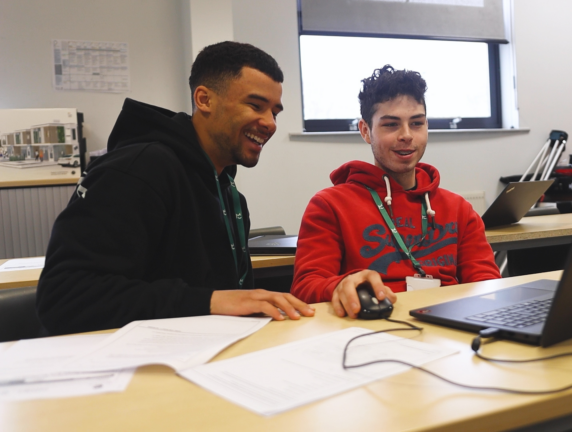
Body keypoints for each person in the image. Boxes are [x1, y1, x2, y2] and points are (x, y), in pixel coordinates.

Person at [37, 41, 314, 336]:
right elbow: (64, 297)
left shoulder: (227, 191)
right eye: (255, 106)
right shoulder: (139, 170)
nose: (270, 123)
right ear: (204, 99)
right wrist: (209, 301)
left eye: (275, 112)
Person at [290, 65, 500, 319]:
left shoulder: (459, 209)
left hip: (450, 324)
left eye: (417, 123)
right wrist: (340, 285)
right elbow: (305, 287)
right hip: (372, 326)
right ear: (365, 131)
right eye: (391, 125)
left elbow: (488, 283)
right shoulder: (329, 205)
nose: (407, 135)